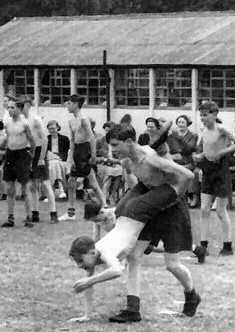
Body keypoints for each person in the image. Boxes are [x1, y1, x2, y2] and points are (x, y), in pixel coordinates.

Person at [68, 123, 200, 323]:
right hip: (149, 206)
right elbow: (138, 184)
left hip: (171, 206)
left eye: (115, 145)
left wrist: (174, 199)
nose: (112, 150)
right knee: (134, 256)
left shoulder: (152, 159)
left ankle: (192, 296)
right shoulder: (127, 162)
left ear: (129, 142)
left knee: (172, 264)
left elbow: (188, 176)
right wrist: (129, 203)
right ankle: (133, 309)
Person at [192, 102, 235, 263]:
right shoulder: (203, 131)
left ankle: (227, 245)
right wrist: (200, 156)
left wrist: (223, 152)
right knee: (204, 209)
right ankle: (203, 245)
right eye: (201, 115)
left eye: (206, 115)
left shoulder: (221, 129)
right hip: (208, 170)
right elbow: (204, 149)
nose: (203, 118)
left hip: (221, 170)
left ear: (214, 114)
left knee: (221, 210)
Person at [59, 94, 106, 221]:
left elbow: (91, 137)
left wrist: (93, 155)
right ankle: (71, 212)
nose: (66, 106)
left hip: (85, 151)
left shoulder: (84, 119)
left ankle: (105, 206)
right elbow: (73, 139)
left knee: (93, 183)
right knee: (71, 182)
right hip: (77, 152)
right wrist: (72, 157)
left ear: (75, 104)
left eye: (69, 103)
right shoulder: (71, 121)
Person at [21, 97, 58, 223]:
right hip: (28, 151)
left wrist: (42, 157)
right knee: (32, 184)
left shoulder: (35, 119)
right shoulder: (21, 119)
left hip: (38, 151)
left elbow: (44, 139)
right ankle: (34, 212)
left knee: (45, 183)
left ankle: (53, 213)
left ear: (28, 105)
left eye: (23, 105)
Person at [1, 97, 36, 228]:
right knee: (10, 188)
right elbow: (7, 138)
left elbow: (32, 141)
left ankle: (29, 217)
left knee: (25, 188)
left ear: (19, 109)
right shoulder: (8, 123)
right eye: (8, 107)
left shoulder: (25, 123)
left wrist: (30, 157)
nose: (9, 110)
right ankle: (10, 217)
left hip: (22, 155)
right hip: (11, 154)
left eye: (12, 107)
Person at [46, 120, 70, 199]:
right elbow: (45, 152)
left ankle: (50, 194)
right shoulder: (46, 139)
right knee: (53, 164)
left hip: (62, 161)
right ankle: (61, 189)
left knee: (54, 164)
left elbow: (66, 153)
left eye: (53, 128)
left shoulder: (64, 139)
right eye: (49, 129)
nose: (51, 131)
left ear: (58, 128)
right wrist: (52, 156)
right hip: (50, 160)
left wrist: (57, 157)